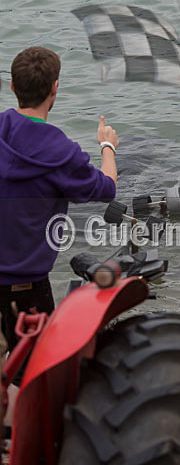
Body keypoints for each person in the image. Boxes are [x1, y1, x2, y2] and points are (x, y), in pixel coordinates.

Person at [0, 47, 118, 351]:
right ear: (55, 88)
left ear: (12, 86)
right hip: (27, 288)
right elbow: (106, 188)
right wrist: (107, 146)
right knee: (35, 371)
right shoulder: (61, 154)